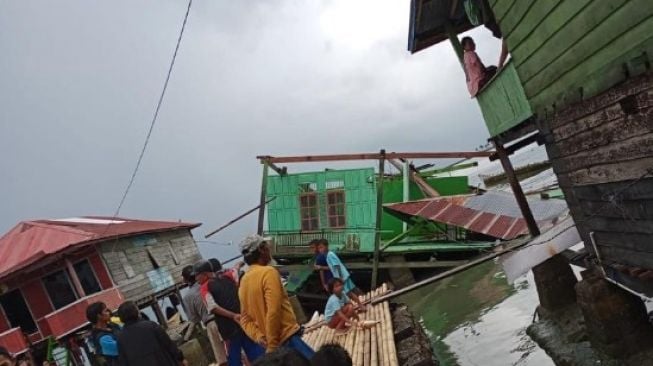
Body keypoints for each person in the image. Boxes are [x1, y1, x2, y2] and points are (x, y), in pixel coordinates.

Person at [238, 234, 315, 360]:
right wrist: (272, 345)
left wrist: (259, 337)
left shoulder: (243, 281)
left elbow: (244, 319)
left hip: (270, 345)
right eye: (267, 246)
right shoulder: (268, 273)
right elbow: (273, 311)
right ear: (261, 250)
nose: (269, 250)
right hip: (287, 340)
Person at [193, 259, 264, 366]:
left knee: (234, 359)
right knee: (257, 353)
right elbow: (235, 269)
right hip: (243, 322)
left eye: (197, 275)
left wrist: (233, 316)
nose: (196, 279)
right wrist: (241, 262)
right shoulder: (227, 276)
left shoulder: (204, 288)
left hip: (228, 329)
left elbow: (213, 307)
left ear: (205, 274)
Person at [181, 265, 228, 366]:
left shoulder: (187, 297)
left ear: (185, 280)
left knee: (222, 358)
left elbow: (194, 319)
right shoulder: (211, 283)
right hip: (225, 318)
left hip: (211, 324)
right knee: (236, 350)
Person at [115, 301, 187, 366]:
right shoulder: (151, 326)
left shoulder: (120, 338)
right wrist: (180, 358)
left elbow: (123, 361)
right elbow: (168, 344)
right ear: (135, 312)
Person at [316, 239, 362, 307]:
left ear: (327, 246)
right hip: (343, 276)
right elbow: (332, 267)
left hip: (342, 277)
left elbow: (337, 266)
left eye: (321, 247)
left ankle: (360, 305)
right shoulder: (328, 255)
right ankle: (355, 305)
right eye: (319, 248)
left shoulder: (330, 255)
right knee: (348, 292)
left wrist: (340, 278)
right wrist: (321, 267)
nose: (320, 250)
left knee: (348, 293)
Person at [86, 301, 120, 366]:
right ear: (99, 316)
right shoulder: (101, 337)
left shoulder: (113, 325)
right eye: (105, 311)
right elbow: (121, 348)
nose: (109, 312)